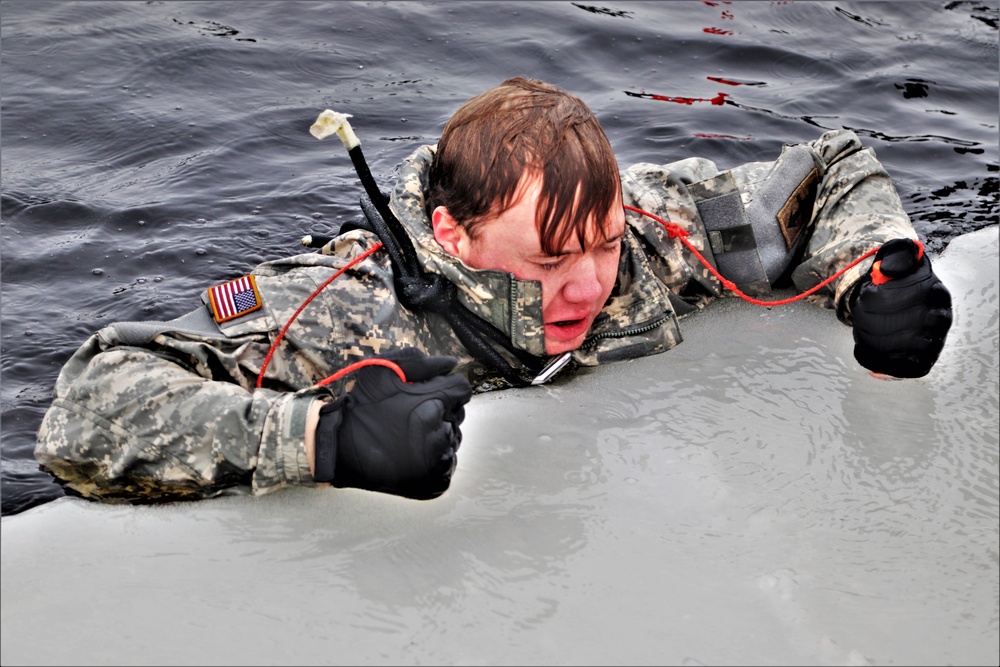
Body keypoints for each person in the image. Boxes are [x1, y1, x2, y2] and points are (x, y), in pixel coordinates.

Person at [34, 77, 953, 504]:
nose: (589, 284)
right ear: (452, 235)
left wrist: (875, 269)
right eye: (548, 260)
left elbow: (825, 166)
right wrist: (322, 437)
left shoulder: (648, 231)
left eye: (596, 244)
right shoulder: (348, 308)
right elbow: (86, 402)